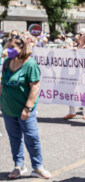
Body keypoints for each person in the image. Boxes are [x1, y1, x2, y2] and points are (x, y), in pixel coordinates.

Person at [0, 36, 52, 179]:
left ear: (22, 48)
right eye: (8, 47)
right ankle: (19, 165)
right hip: (8, 109)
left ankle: (37, 167)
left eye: (12, 47)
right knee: (14, 138)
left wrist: (27, 108)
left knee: (32, 137)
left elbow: (35, 87)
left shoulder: (30, 64)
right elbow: (3, 84)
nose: (8, 50)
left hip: (24, 110)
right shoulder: (7, 62)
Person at [63, 28, 85, 120]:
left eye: (81, 34)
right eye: (79, 34)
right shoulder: (76, 46)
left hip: (84, 73)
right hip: (73, 72)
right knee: (70, 91)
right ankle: (72, 111)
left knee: (84, 92)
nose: (79, 35)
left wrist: (78, 52)